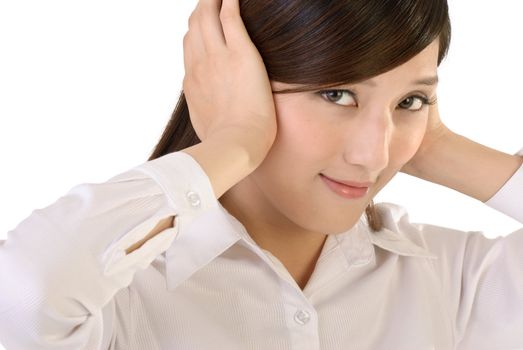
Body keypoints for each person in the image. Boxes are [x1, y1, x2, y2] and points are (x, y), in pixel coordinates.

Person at [0, 0, 522, 349]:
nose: (374, 154)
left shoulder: (453, 283)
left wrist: (435, 145)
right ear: (233, 83)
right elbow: (23, 296)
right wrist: (236, 138)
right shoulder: (117, 295)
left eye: (412, 100)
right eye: (336, 93)